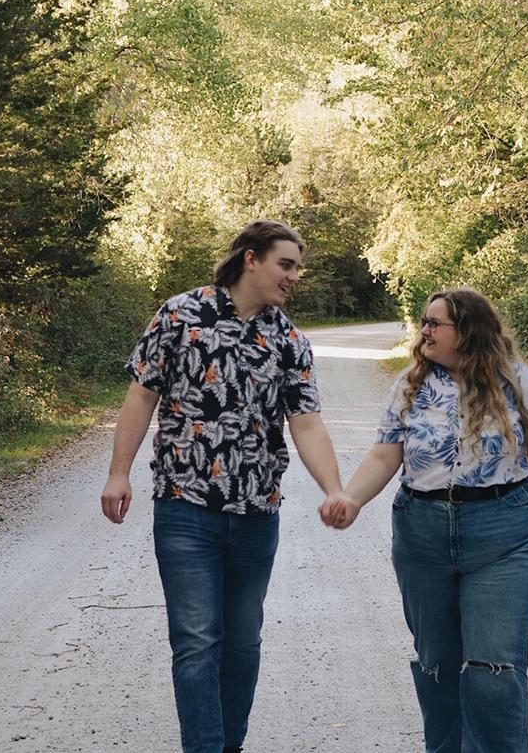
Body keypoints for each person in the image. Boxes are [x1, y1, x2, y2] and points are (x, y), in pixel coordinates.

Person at [100, 219, 345, 753]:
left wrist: (334, 487)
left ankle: (228, 744)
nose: (294, 276)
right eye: (287, 263)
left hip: (258, 513)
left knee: (242, 644)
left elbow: (307, 422)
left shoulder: (289, 340)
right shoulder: (180, 315)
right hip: (185, 509)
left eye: (299, 267)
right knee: (195, 642)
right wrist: (119, 472)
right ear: (251, 258)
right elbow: (141, 396)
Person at [319, 287, 528, 753]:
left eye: (435, 323)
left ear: (469, 331)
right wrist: (352, 499)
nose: (425, 331)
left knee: (493, 670)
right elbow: (384, 453)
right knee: (437, 664)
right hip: (423, 533)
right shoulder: (411, 383)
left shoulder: (519, 382)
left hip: (504, 533)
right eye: (424, 322)